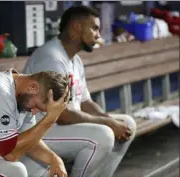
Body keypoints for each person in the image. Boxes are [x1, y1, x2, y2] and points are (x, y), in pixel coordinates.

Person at [23, 5, 137, 177]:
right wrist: (108, 124)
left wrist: (110, 121)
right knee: (103, 135)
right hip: (39, 130)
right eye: (94, 28)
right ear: (77, 26)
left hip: (60, 126)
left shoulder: (75, 60)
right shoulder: (50, 57)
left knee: (127, 124)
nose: (98, 35)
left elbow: (85, 102)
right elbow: (62, 115)